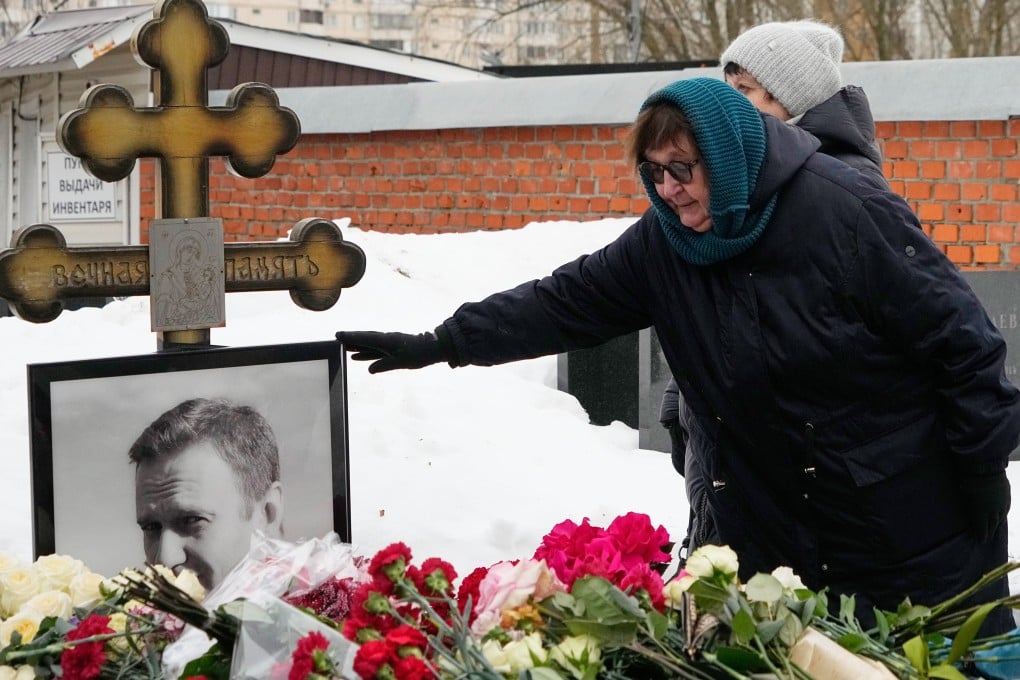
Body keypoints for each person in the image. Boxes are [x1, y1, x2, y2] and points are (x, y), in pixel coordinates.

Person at [338, 76, 1020, 632]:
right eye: (654, 172)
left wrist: (983, 462)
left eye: (683, 169)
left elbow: (960, 339)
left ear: (725, 155)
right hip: (775, 533)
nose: (668, 190)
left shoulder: (843, 211)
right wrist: (445, 342)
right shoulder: (667, 243)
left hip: (904, 528)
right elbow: (563, 302)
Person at [661, 18, 888, 560]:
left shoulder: (842, 189)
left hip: (801, 477)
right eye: (727, 87)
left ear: (793, 101)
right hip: (727, 453)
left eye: (746, 91)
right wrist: (682, 399)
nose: (728, 106)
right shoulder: (741, 176)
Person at [130, 397, 285, 591]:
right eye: (151, 527)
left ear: (268, 513)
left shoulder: (327, 614)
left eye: (192, 520)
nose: (165, 560)